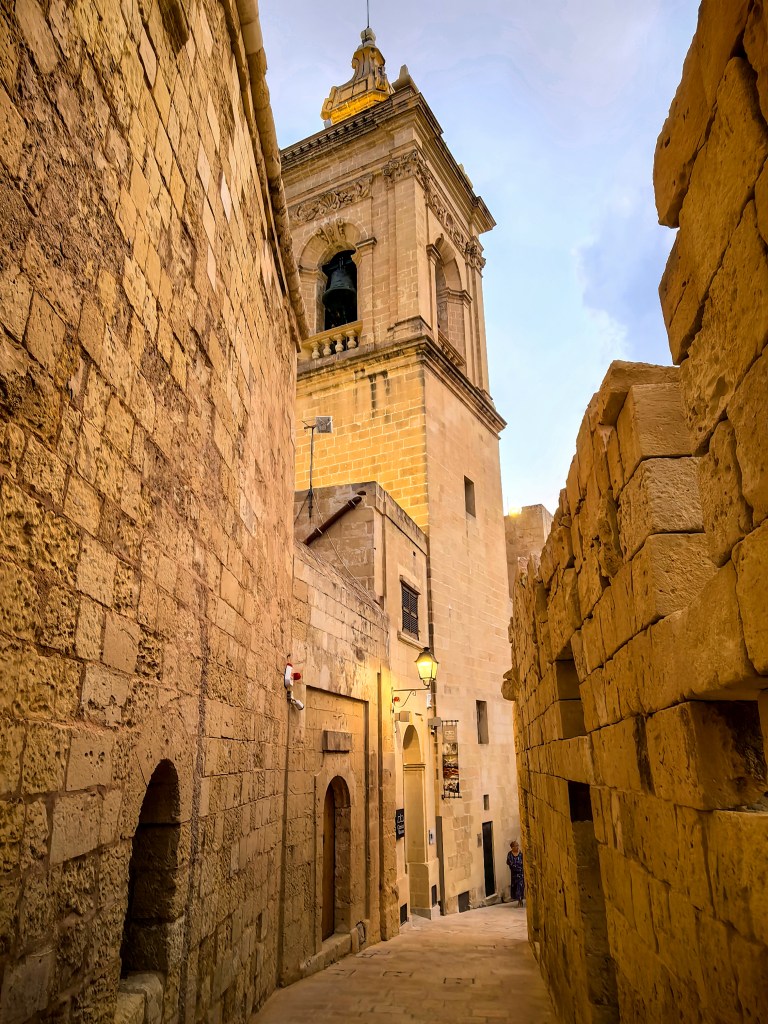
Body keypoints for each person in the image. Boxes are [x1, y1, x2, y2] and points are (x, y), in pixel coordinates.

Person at [507, 840, 525, 907]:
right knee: (515, 886)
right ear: (512, 847)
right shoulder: (510, 854)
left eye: (517, 845)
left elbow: (523, 862)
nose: (517, 847)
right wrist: (514, 867)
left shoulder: (521, 854)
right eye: (515, 846)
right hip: (514, 874)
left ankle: (520, 899)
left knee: (520, 886)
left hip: (521, 873)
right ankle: (518, 899)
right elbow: (509, 862)